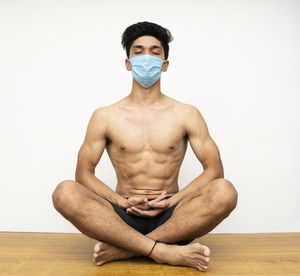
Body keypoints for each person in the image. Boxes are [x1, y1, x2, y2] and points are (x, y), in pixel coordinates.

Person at [52, 21, 238, 272]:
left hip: (174, 215)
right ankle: (163, 251)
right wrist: (120, 201)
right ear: (128, 63)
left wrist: (173, 202)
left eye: (155, 51)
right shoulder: (105, 116)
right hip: (121, 216)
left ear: (165, 64)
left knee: (225, 191)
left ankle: (127, 249)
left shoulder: (187, 114)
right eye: (138, 52)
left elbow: (214, 171)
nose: (147, 58)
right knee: (64, 192)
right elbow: (83, 174)